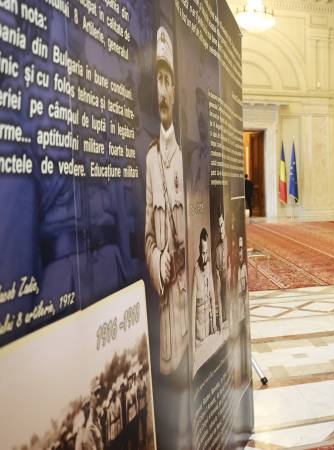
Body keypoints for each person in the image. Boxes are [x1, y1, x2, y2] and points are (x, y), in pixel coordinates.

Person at [143, 25, 190, 449]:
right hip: (164, 300)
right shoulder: (151, 158)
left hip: (189, 303)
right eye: (157, 79)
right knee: (169, 401)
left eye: (167, 80)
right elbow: (147, 234)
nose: (162, 90)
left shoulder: (184, 156)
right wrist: (157, 259)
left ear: (174, 90)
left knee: (188, 396)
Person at [192, 227, 217, 345]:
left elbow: (212, 295)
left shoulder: (209, 266)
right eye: (203, 253)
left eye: (206, 253)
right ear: (199, 250)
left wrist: (214, 324)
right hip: (199, 336)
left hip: (208, 329)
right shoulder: (196, 271)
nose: (205, 257)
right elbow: (192, 308)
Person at [75, 378, 104, 450]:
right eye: (96, 394)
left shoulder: (96, 416)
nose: (98, 397)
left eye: (99, 393)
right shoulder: (82, 430)